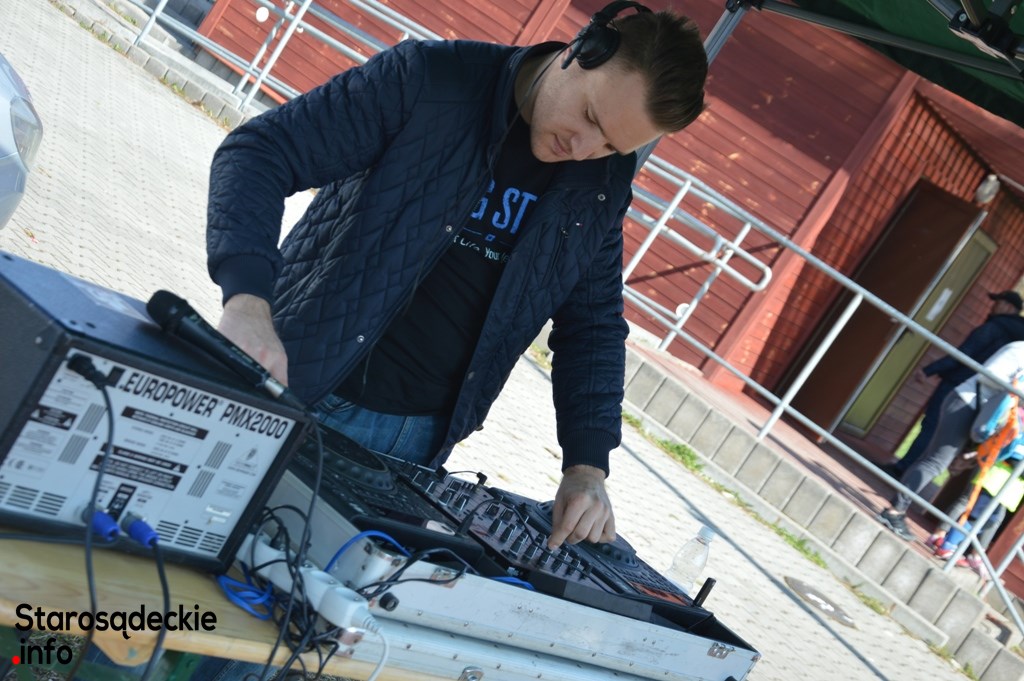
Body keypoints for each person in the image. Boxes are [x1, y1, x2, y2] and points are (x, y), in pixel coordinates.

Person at [206, 3, 707, 552]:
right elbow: (261, 152)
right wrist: (247, 301)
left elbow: (593, 326)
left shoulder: (602, 182)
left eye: (611, 145)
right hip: (296, 384)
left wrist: (587, 465)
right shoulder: (432, 79)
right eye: (590, 117)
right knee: (194, 550)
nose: (584, 149)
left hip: (418, 446)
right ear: (581, 51)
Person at [877, 340, 1024, 540]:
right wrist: (1018, 390)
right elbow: (989, 374)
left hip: (977, 413)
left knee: (935, 461)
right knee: (935, 463)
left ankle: (896, 509)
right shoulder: (1019, 350)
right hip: (965, 404)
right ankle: (894, 511)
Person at [883, 290, 1024, 478]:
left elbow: (963, 354)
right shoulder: (1018, 338)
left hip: (960, 385)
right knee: (943, 446)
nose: (993, 306)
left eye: (998, 302)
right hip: (987, 400)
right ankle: (911, 475)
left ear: (1008, 307)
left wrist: (929, 370)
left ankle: (902, 469)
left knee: (931, 427)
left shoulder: (993, 328)